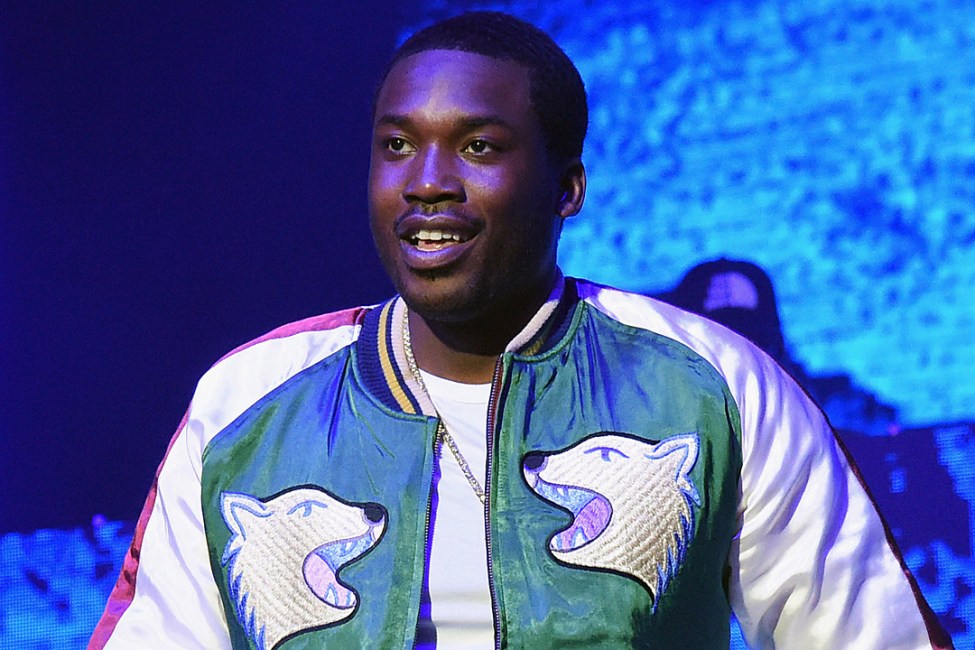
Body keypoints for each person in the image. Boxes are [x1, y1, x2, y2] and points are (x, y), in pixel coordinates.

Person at [90, 11, 952, 649]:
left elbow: (870, 634)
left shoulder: (710, 385)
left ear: (566, 188)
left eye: (477, 146)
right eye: (397, 146)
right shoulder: (251, 403)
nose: (427, 182)